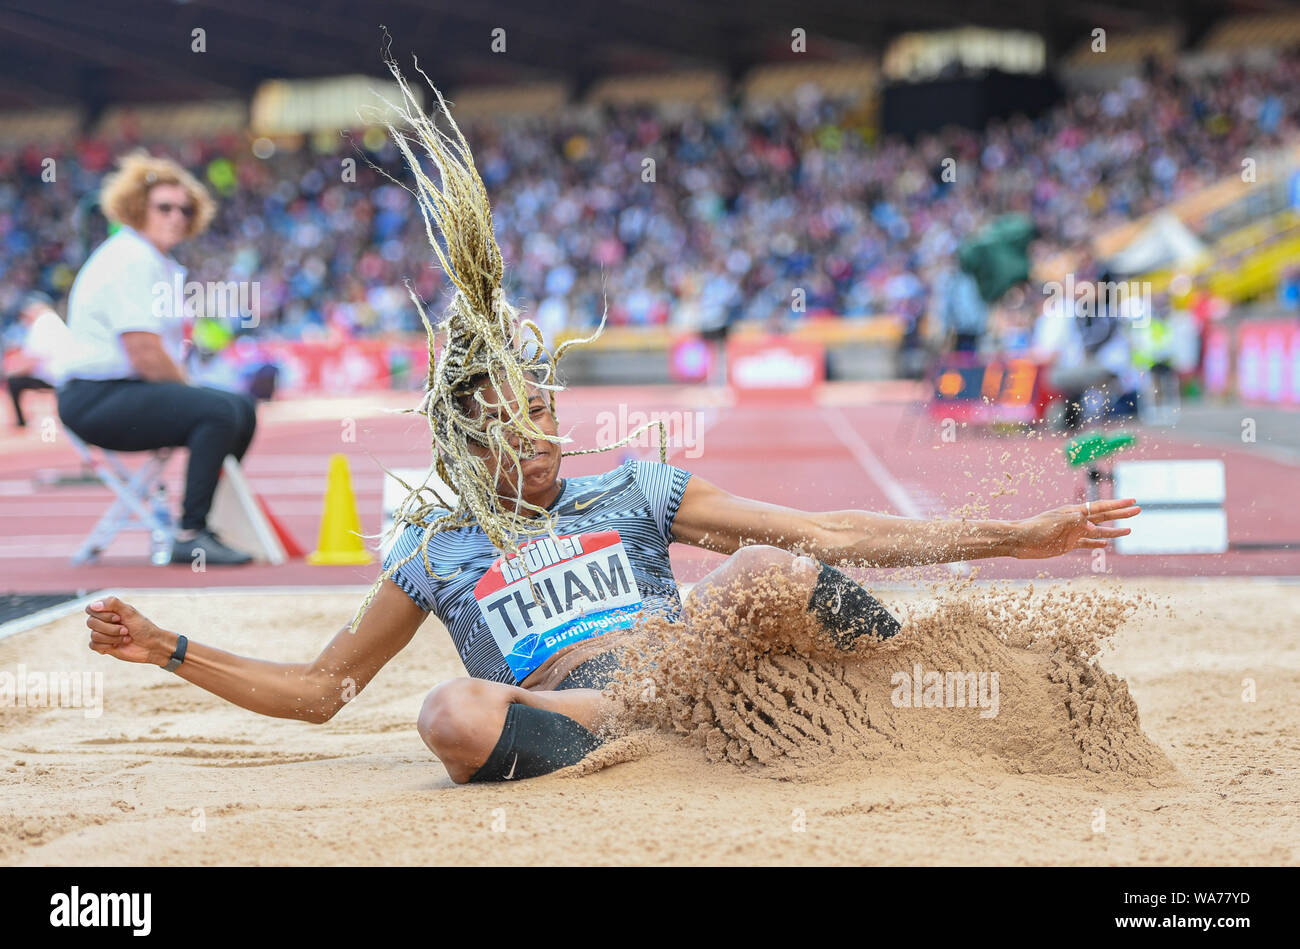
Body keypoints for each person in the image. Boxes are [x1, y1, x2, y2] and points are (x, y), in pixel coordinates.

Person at [80, 58, 1141, 785]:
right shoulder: (435, 549)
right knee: (448, 714)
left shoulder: (629, 488)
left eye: (547, 411)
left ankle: (919, 693)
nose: (542, 437)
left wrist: (1016, 534)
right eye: (514, 423)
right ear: (466, 442)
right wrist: (168, 644)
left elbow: (824, 533)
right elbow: (321, 690)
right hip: (594, 717)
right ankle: (673, 745)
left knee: (768, 564)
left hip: (684, 658)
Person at [57, 152, 257, 565]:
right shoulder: (130, 258)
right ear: (135, 208)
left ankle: (213, 518)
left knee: (241, 408)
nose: (176, 217)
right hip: (96, 397)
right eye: (164, 207)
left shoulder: (157, 262)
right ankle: (190, 534)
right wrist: (191, 392)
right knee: (218, 411)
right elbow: (145, 353)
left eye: (185, 209)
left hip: (125, 391)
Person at [4, 293, 73, 429]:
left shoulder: (43, 323)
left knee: (13, 381)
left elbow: (34, 359)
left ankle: (21, 422)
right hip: (62, 373)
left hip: (54, 375)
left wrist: (13, 371)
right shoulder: (51, 321)